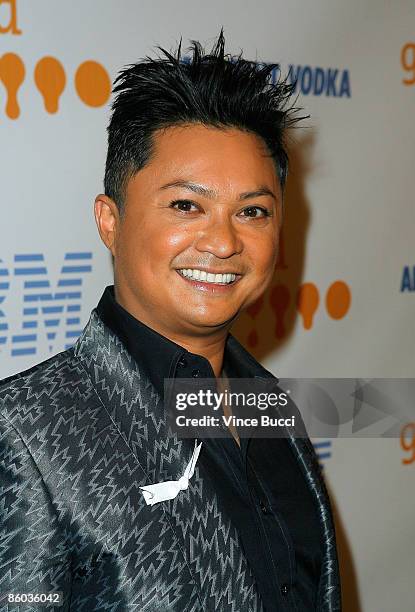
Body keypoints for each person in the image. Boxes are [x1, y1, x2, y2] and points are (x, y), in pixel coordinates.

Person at [0, 33, 341, 611]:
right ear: (110, 220)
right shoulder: (23, 432)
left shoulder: (269, 403)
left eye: (253, 212)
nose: (225, 242)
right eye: (187, 205)